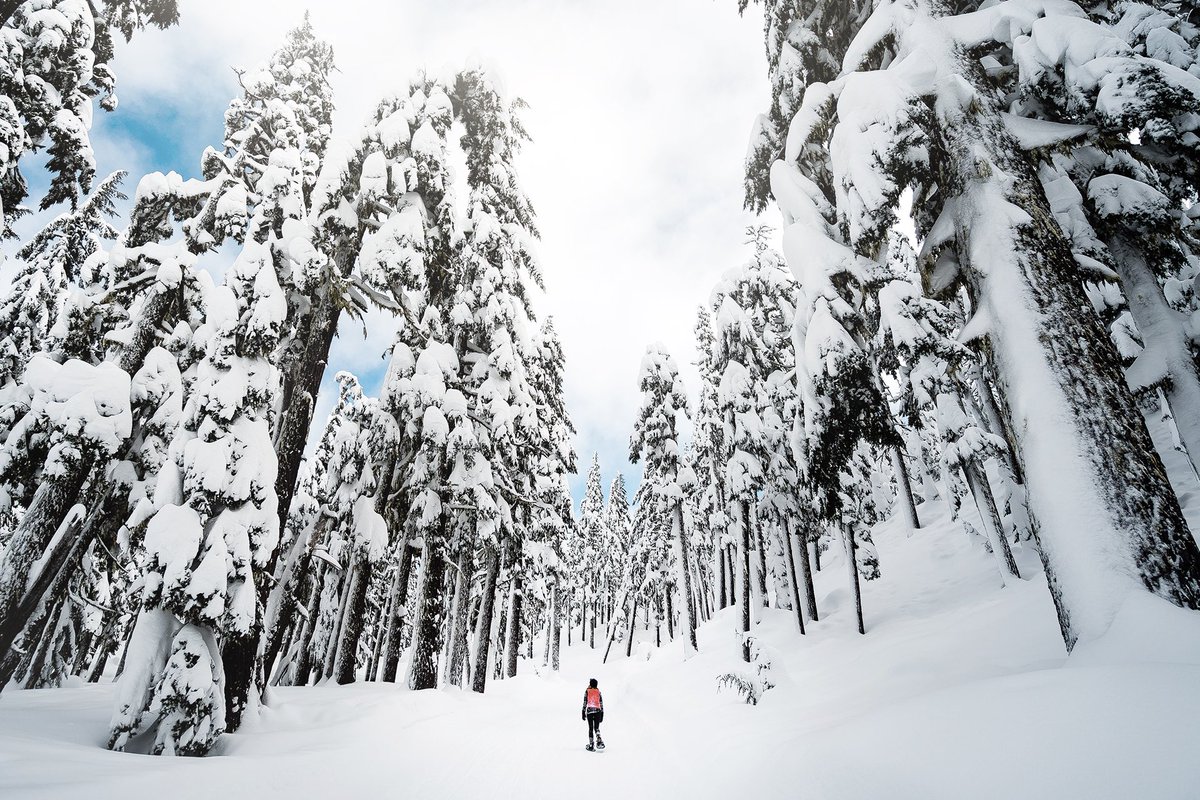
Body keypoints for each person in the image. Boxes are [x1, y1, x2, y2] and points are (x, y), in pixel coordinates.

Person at [581, 678, 605, 751]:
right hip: (598, 711)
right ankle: (599, 741)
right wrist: (602, 713)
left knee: (591, 728)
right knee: (596, 728)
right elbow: (601, 703)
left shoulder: (587, 691)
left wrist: (583, 711)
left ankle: (591, 745)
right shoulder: (598, 692)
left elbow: (585, 702)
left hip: (590, 711)